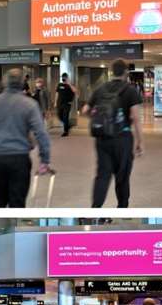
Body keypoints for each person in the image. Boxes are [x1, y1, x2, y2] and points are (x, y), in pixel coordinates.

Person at [0, 69, 52, 208]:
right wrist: (44, 160)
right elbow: (41, 133)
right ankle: (14, 226)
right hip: (19, 158)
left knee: (0, 196)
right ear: (23, 84)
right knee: (17, 200)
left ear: (4, 82)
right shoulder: (29, 104)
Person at [83, 59, 144, 208]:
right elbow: (135, 117)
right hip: (122, 139)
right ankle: (122, 208)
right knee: (122, 177)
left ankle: (95, 210)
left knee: (102, 175)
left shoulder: (100, 89)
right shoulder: (130, 90)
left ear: (111, 72)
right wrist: (140, 142)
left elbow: (85, 110)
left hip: (102, 139)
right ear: (125, 72)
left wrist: (100, 119)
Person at [55, 72, 78, 137]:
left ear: (67, 78)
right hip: (60, 103)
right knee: (59, 116)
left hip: (67, 104)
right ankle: (69, 125)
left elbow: (75, 91)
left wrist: (69, 83)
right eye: (63, 77)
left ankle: (65, 131)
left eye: (65, 77)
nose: (63, 78)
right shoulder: (59, 85)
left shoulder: (70, 85)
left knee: (65, 117)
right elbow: (57, 93)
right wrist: (55, 102)